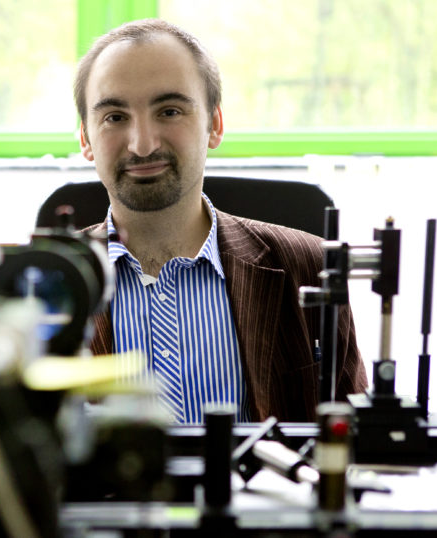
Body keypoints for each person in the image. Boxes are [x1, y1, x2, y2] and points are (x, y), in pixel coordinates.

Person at [74, 18, 367, 424]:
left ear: (214, 124)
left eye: (169, 111)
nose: (142, 144)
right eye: (114, 117)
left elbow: (355, 442)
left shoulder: (309, 266)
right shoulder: (37, 285)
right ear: (86, 138)